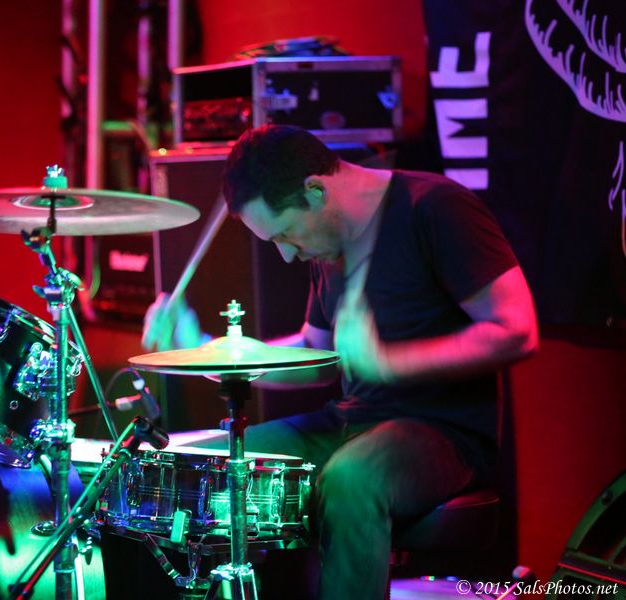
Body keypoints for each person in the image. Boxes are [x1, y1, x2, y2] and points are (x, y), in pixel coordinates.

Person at [142, 124, 538, 599]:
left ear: (315, 190)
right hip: (352, 421)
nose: (286, 255)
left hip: (445, 432)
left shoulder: (436, 207)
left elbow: (517, 329)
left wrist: (389, 362)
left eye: (285, 233)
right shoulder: (328, 242)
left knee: (351, 478)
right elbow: (319, 355)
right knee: (203, 466)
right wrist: (213, 354)